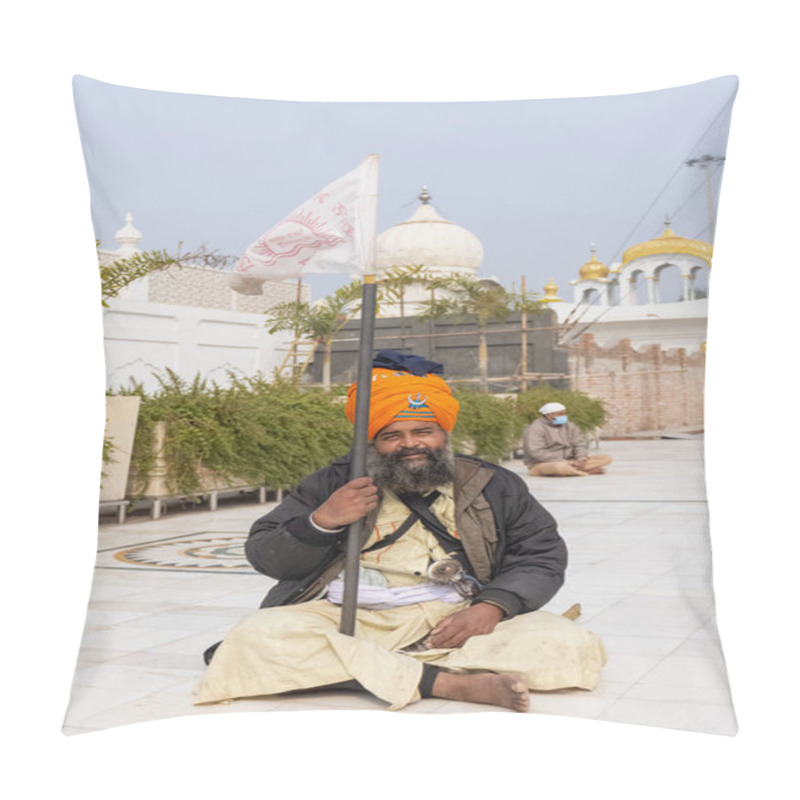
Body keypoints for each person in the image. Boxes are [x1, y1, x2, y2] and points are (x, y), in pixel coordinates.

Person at [195, 352, 606, 713]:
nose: (411, 444)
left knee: (568, 645)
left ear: (443, 434)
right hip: (350, 618)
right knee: (258, 637)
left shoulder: (491, 483)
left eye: (423, 431)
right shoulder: (332, 483)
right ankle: (446, 682)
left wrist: (493, 607)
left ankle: (368, 668)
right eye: (392, 435)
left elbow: (541, 554)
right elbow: (266, 555)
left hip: (455, 616)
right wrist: (322, 521)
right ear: (372, 442)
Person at [523, 402, 613, 477]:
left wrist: (581, 458)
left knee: (606, 458)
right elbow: (536, 453)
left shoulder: (570, 426)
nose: (564, 416)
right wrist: (567, 461)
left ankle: (573, 470)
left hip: (572, 461)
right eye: (560, 414)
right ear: (548, 415)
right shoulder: (535, 428)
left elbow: (579, 444)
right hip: (542, 463)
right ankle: (586, 472)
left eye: (565, 413)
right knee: (559, 467)